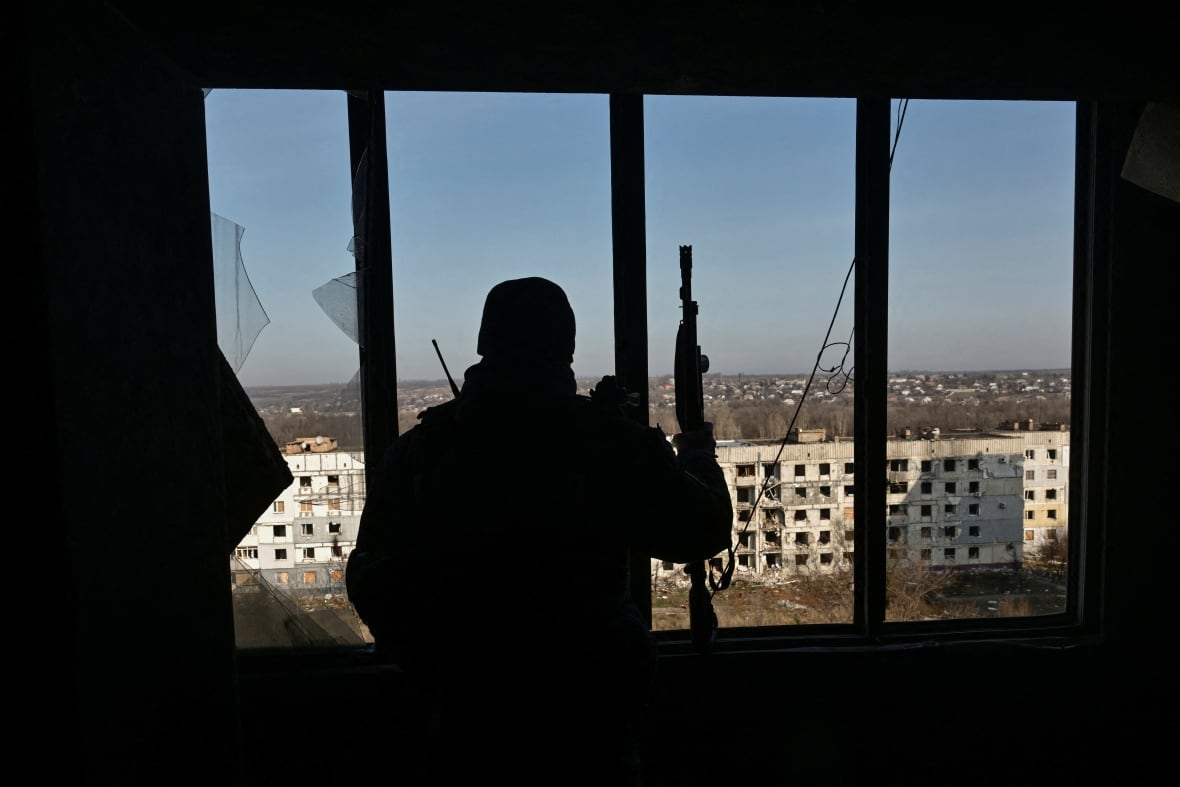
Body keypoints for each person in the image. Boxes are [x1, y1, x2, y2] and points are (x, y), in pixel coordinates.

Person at [346, 276, 733, 786]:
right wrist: (699, 458)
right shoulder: (603, 442)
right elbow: (702, 528)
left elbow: (371, 579)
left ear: (486, 343)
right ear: (564, 348)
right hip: (591, 730)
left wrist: (439, 665)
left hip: (469, 729)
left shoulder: (424, 450)